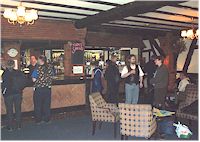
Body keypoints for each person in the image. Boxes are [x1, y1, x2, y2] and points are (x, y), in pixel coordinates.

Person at [2, 60, 27, 131]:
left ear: (7, 65)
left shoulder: (5, 74)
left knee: (9, 110)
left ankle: (10, 126)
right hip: (18, 93)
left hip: (9, 94)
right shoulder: (19, 72)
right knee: (18, 109)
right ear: (13, 65)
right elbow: (25, 81)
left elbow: (4, 84)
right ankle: (19, 125)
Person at [32, 55, 53, 124]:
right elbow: (52, 76)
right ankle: (47, 119)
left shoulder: (37, 68)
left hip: (39, 89)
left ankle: (38, 120)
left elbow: (34, 79)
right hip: (47, 89)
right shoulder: (49, 68)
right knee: (47, 105)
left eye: (37, 59)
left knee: (38, 105)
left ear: (40, 60)